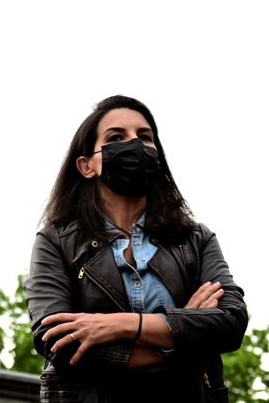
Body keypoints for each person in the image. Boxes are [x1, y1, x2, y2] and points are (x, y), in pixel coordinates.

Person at [26, 95, 247, 401]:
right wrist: (180, 334)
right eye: (116, 137)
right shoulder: (55, 242)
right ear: (86, 165)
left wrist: (117, 325)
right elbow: (56, 339)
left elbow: (230, 321)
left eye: (145, 137)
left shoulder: (196, 238)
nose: (134, 144)